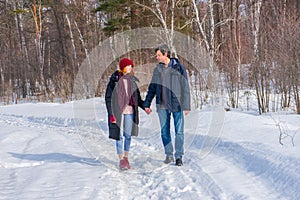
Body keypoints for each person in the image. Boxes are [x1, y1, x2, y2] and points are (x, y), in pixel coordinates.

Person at [144, 44, 191, 166]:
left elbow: (185, 87)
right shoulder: (157, 70)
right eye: (157, 55)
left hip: (177, 104)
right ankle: (169, 154)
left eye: (159, 55)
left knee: (179, 131)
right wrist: (147, 103)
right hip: (162, 105)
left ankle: (179, 156)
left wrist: (186, 105)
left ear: (166, 54)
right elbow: (152, 88)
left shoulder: (179, 68)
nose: (157, 57)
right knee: (165, 131)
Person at [105, 58, 145, 170]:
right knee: (119, 136)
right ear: (122, 67)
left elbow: (137, 98)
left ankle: (126, 157)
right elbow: (108, 98)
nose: (130, 68)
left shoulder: (132, 80)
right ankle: (121, 159)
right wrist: (111, 114)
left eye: (131, 66)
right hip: (118, 112)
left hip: (130, 111)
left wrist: (145, 107)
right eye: (128, 66)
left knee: (127, 135)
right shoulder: (114, 81)